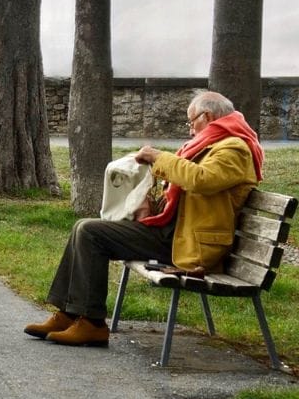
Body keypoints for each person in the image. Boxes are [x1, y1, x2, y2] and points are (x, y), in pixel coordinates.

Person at [24, 91, 263, 346]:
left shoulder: (235, 148)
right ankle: (69, 313)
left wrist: (158, 157)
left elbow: (201, 180)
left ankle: (92, 324)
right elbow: (191, 190)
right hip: (175, 232)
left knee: (91, 233)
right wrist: (154, 202)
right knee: (83, 227)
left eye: (191, 122)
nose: (191, 130)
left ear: (208, 117)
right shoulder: (216, 143)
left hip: (190, 244)